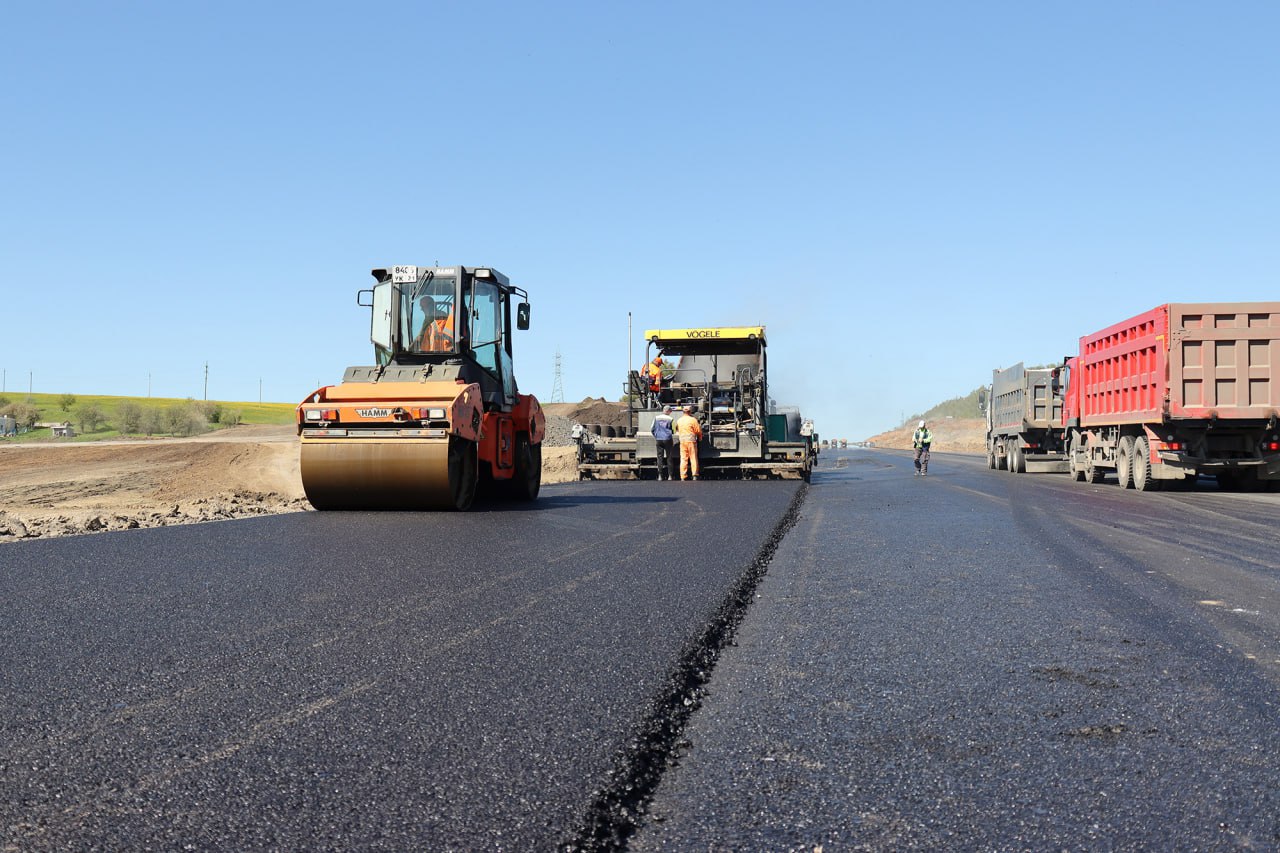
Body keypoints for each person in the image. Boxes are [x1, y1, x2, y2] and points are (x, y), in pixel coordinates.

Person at [676, 404, 703, 481]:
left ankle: (683, 476)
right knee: (693, 458)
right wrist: (700, 437)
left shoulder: (679, 420)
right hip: (691, 441)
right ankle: (694, 475)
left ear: (683, 412)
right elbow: (698, 430)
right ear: (690, 412)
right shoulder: (693, 420)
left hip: (682, 442)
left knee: (683, 459)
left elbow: (677, 429)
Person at [651, 405, 678, 480]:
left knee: (660, 457)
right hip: (667, 439)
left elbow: (652, 429)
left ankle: (660, 476)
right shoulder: (671, 419)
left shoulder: (656, 418)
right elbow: (674, 430)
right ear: (668, 411)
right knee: (669, 457)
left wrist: (656, 435)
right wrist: (669, 433)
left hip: (658, 439)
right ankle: (670, 476)